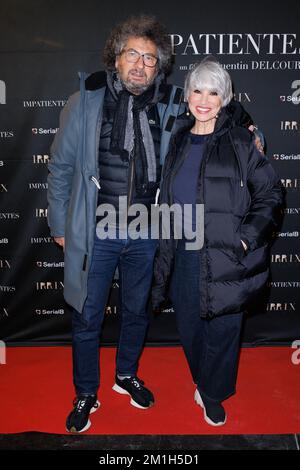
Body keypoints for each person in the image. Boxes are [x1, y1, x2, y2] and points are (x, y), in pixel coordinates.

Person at [47, 14, 189, 433]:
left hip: (145, 228)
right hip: (96, 230)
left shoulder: (170, 104)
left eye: (150, 58)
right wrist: (59, 223)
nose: (141, 64)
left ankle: (126, 374)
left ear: (158, 66)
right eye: (133, 54)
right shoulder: (85, 101)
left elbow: (213, 113)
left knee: (136, 311)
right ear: (116, 57)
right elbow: (61, 167)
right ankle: (87, 391)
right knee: (87, 315)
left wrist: (248, 128)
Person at [152, 58, 283, 427]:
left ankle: (212, 393)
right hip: (183, 252)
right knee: (191, 326)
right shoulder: (177, 138)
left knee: (224, 330)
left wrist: (246, 238)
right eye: (197, 90)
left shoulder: (242, 140)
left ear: (224, 98)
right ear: (188, 95)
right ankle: (202, 379)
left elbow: (271, 192)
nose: (204, 99)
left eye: (213, 91)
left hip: (227, 254)